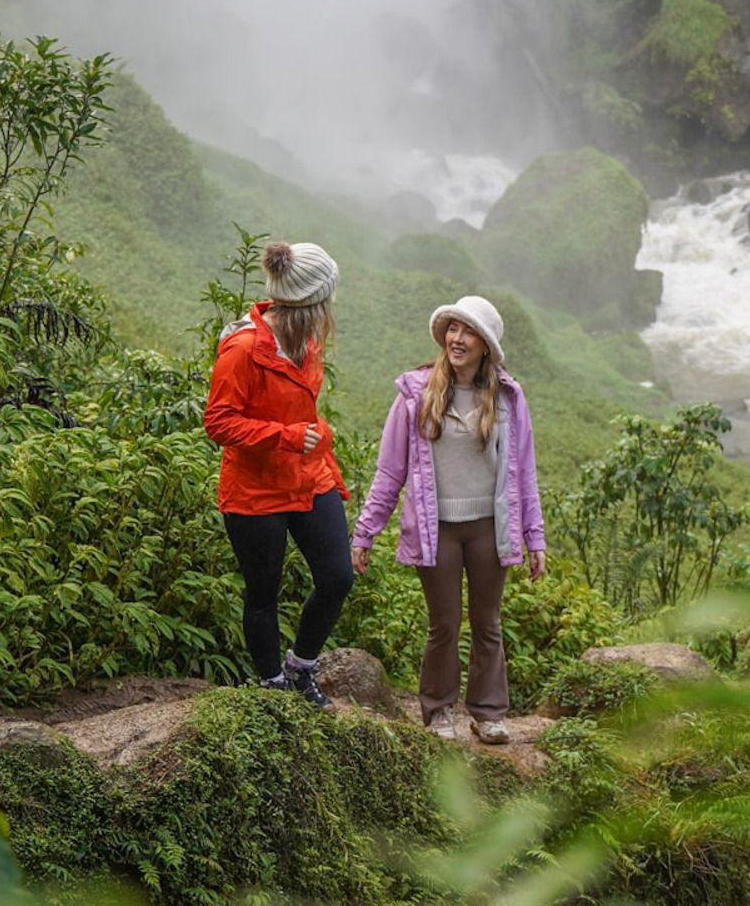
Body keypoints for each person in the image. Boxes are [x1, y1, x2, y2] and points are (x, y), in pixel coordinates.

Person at [352, 294, 545, 744]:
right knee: (444, 623)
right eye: (453, 330)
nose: (457, 339)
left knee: (488, 622)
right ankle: (439, 711)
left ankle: (488, 712)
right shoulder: (415, 394)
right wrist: (366, 532)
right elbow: (390, 471)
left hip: (487, 528)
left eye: (469, 331)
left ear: (486, 344)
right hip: (436, 529)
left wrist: (534, 537)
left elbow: (524, 472)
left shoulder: (509, 399)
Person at [203, 239, 354, 706]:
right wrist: (285, 435)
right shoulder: (243, 350)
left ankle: (301, 667)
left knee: (337, 577)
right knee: (263, 592)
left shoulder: (306, 341)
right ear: (310, 304)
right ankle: (273, 687)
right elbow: (218, 421)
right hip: (255, 487)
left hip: (309, 475)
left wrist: (308, 439)